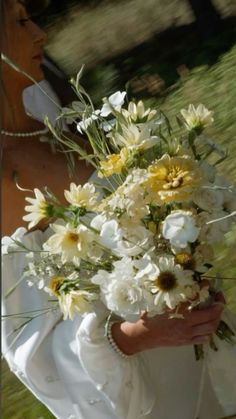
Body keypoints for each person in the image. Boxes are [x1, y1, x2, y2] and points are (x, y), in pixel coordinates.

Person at [2, 1, 236, 419]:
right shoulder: (7, 174)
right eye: (20, 21)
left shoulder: (55, 120)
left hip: (185, 341)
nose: (40, 33)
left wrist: (187, 263)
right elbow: (29, 344)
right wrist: (135, 336)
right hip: (137, 382)